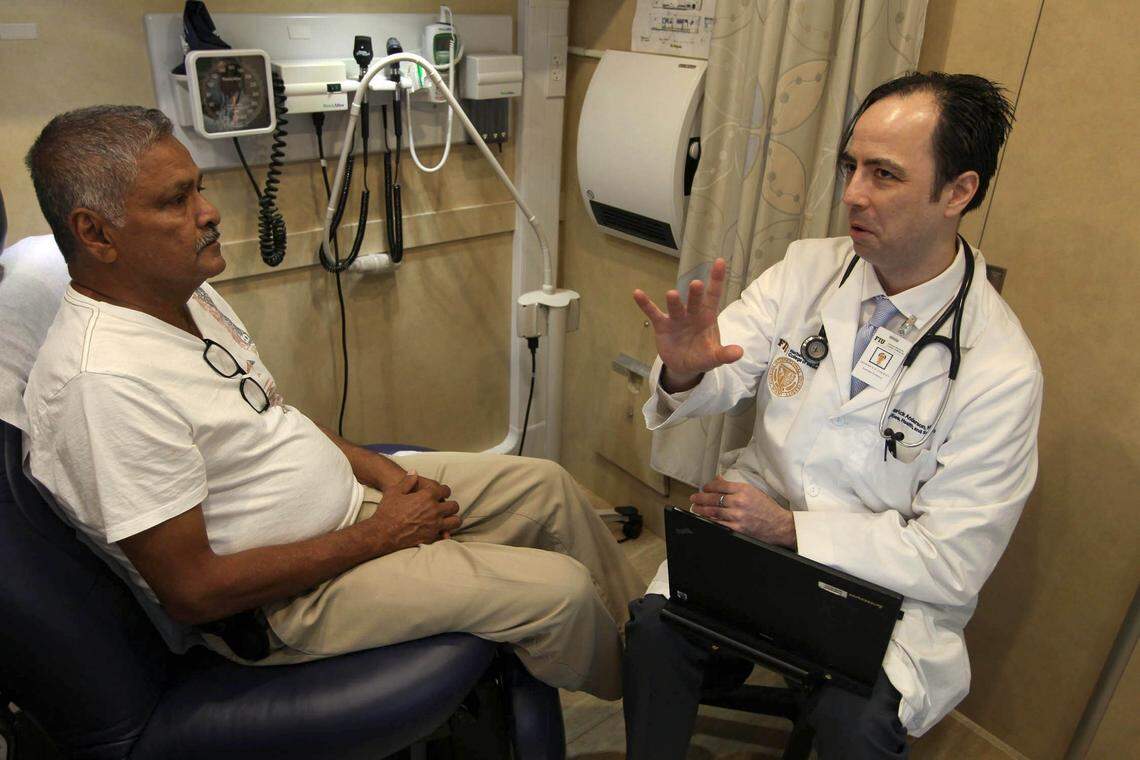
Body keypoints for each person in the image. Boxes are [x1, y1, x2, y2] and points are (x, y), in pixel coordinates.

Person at [21, 105, 644, 699]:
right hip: (286, 603)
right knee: (557, 592)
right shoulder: (102, 386)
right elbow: (195, 591)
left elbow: (272, 413)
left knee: (547, 487)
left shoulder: (185, 296)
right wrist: (383, 534)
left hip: (353, 513)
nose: (209, 212)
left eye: (198, 188)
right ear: (96, 233)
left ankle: (657, 640)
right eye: (175, 200)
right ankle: (650, 696)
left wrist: (388, 475)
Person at [624, 72, 1043, 757]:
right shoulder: (807, 270)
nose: (852, 194)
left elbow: (950, 560)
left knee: (856, 728)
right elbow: (721, 368)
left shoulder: (1000, 370)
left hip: (882, 591)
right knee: (655, 635)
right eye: (851, 166)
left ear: (958, 193)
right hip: (752, 541)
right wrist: (686, 365)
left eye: (884, 174)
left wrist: (794, 528)